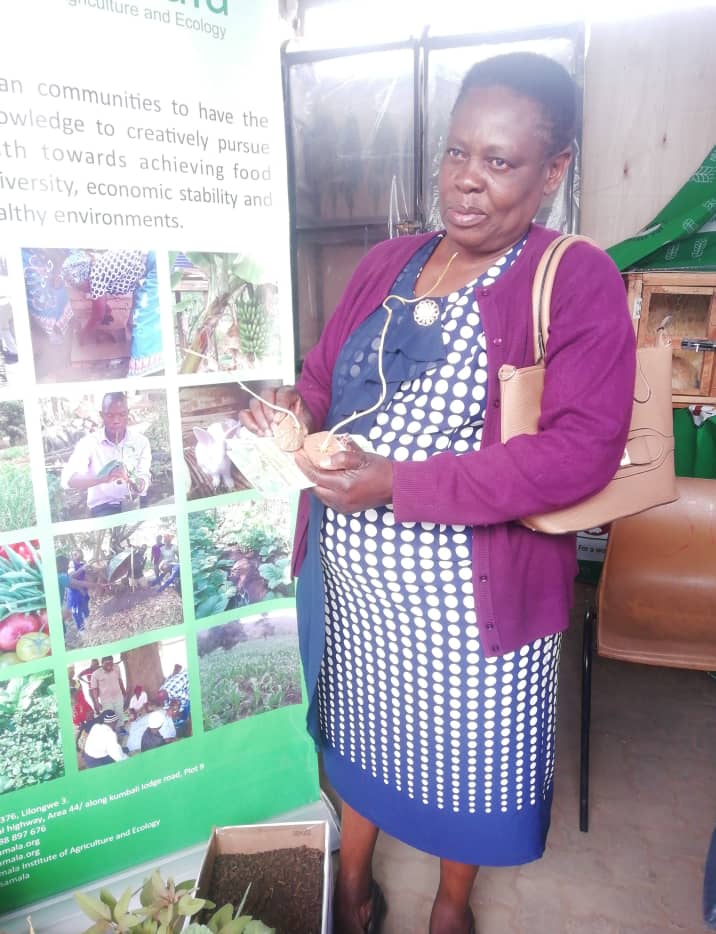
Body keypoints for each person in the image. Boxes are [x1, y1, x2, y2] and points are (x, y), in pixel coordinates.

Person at [239, 52, 636, 934]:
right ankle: (353, 887)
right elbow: (320, 377)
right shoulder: (387, 262)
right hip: (355, 594)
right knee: (357, 740)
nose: (467, 182)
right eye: (458, 153)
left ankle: (451, 906)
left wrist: (394, 485)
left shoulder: (572, 279)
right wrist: (291, 411)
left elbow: (580, 454)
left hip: (473, 612)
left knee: (467, 764)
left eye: (500, 162)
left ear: (554, 170)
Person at [60, 249, 162, 377]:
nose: (84, 291)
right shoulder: (98, 268)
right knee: (134, 319)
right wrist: (104, 311)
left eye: (81, 287)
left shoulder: (95, 275)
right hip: (149, 265)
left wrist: (83, 335)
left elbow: (98, 315)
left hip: (157, 263)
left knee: (144, 321)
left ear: (83, 279)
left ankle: (148, 372)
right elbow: (101, 305)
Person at [60, 392, 151, 518]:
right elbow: (68, 479)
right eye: (110, 415)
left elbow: (143, 481)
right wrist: (102, 478)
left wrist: (130, 478)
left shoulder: (141, 442)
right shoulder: (89, 443)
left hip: (136, 503)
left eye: (122, 414)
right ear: (101, 415)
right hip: (103, 507)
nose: (116, 421)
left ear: (128, 413)